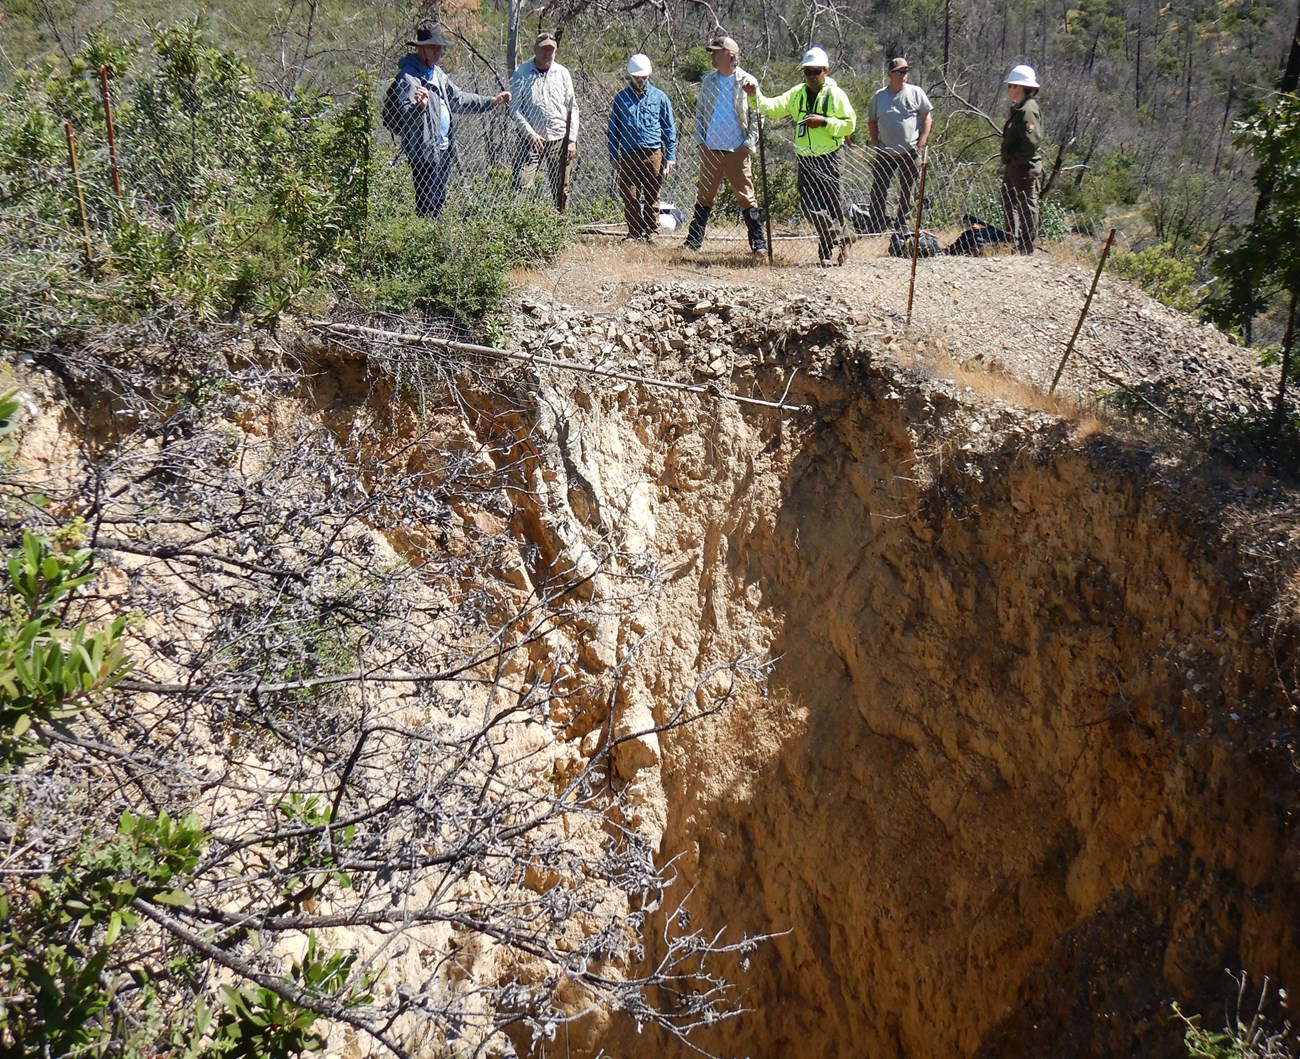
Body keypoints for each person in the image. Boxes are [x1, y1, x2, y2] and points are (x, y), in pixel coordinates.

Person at [746, 47, 856, 266]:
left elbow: (850, 124)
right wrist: (754, 96)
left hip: (831, 157)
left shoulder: (836, 95)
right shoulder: (797, 93)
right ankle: (844, 236)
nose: (812, 76)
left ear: (826, 70)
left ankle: (827, 251)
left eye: (816, 71)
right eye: (807, 72)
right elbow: (772, 107)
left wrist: (824, 122)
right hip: (805, 158)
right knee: (810, 205)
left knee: (833, 204)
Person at [393, 22, 511, 219]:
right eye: (434, 47)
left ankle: (436, 240)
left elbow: (459, 99)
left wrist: (492, 102)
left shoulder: (437, 73)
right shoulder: (408, 76)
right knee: (426, 203)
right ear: (420, 48)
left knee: (438, 199)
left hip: (443, 148)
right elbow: (405, 115)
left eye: (441, 47)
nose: (440, 51)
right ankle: (423, 242)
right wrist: (418, 107)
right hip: (423, 151)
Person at [685, 35, 766, 255]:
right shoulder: (708, 81)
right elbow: (700, 112)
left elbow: (758, 114)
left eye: (716, 52)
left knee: (746, 196)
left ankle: (758, 242)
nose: (712, 55)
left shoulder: (747, 81)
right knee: (704, 196)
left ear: (729, 55)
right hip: (711, 148)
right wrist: (700, 142)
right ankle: (693, 241)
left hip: (737, 150)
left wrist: (748, 144)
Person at [606, 53, 678, 244]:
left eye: (643, 77)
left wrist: (670, 156)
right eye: (637, 77)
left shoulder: (660, 98)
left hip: (653, 152)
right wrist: (613, 154)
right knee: (629, 194)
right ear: (630, 76)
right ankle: (634, 232)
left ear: (648, 76)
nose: (640, 80)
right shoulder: (621, 99)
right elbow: (614, 129)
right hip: (629, 154)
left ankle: (652, 231)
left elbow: (669, 128)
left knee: (653, 193)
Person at [509, 31, 578, 208]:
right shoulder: (521, 73)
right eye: (544, 50)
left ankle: (561, 225)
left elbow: (573, 108)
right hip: (531, 140)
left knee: (562, 185)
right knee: (522, 183)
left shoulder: (562, 73)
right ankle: (518, 224)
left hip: (559, 138)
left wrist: (571, 140)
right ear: (535, 49)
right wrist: (530, 133)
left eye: (551, 50)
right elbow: (515, 108)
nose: (547, 54)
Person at [866, 57, 933, 232]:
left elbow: (926, 117)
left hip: (910, 151)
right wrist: (876, 143)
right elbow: (872, 121)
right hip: (885, 151)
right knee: (879, 187)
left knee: (908, 190)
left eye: (905, 72)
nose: (903, 75)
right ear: (890, 74)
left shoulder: (916, 92)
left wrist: (922, 142)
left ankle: (902, 225)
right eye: (899, 72)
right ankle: (876, 225)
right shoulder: (879, 96)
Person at [1001, 64, 1043, 255]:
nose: (1009, 89)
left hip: (1024, 166)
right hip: (1015, 165)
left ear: (1018, 87)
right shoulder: (1019, 108)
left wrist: (1015, 160)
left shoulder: (1027, 110)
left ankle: (1027, 246)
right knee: (1009, 201)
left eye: (1011, 85)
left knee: (1026, 205)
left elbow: (1031, 142)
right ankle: (1013, 240)